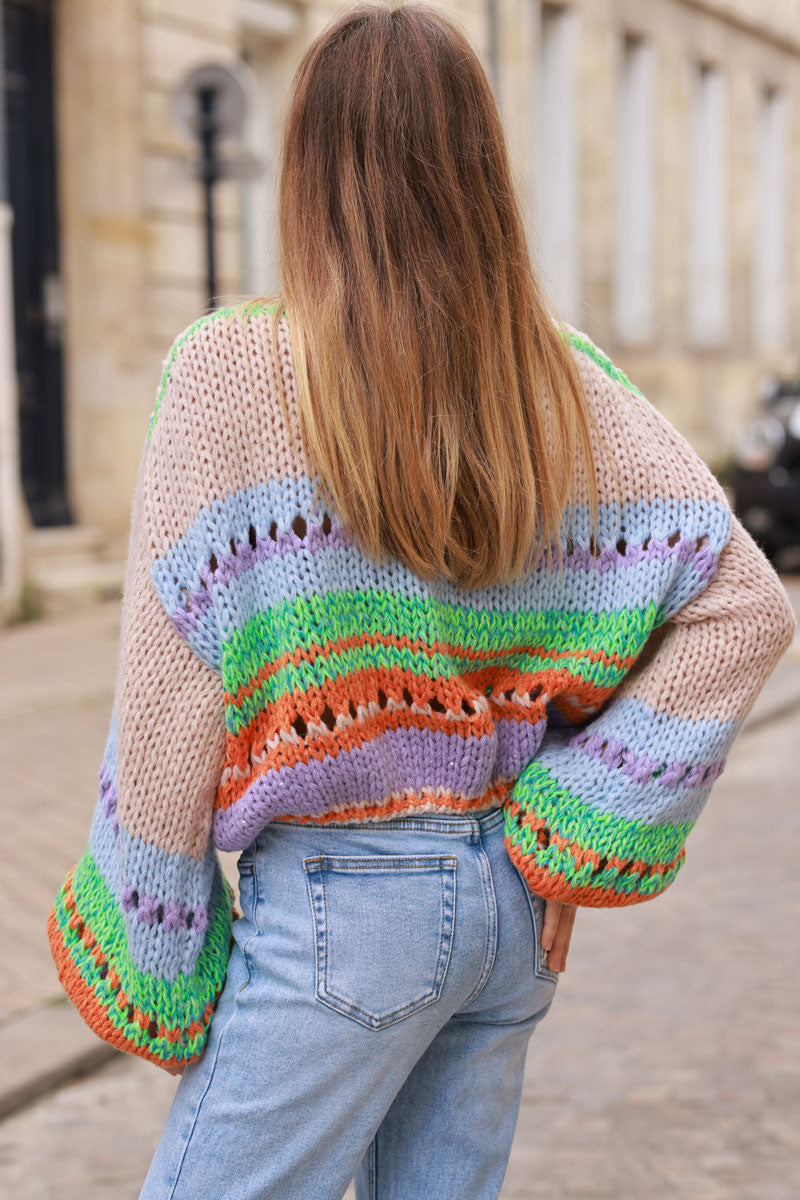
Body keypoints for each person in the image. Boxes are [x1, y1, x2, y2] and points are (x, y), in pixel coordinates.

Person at [47, 4, 795, 1198]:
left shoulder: (231, 371)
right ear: (479, 168)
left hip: (342, 908)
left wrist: (152, 927)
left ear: (307, 166)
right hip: (506, 908)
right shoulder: (561, 380)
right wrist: (568, 830)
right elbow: (744, 607)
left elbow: (172, 683)